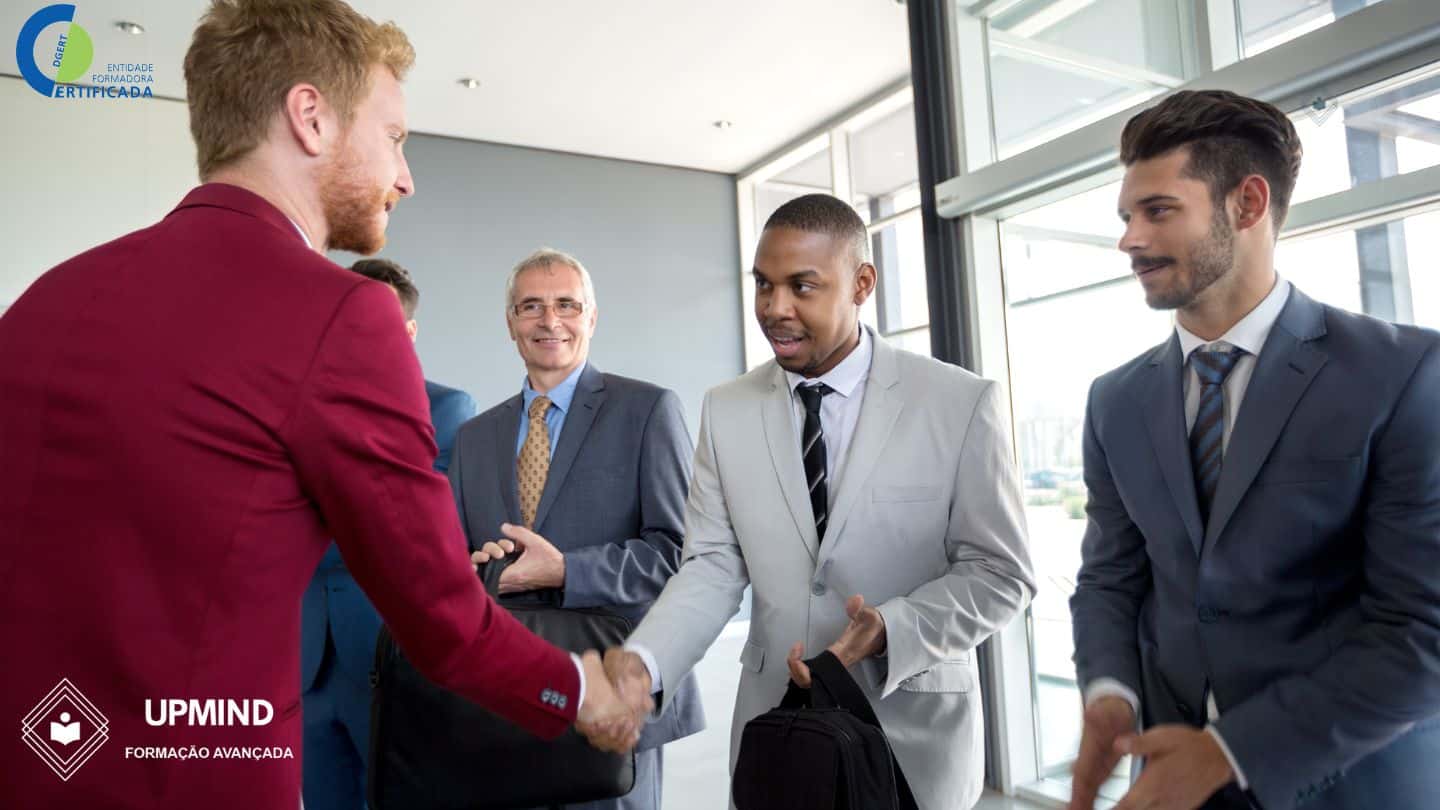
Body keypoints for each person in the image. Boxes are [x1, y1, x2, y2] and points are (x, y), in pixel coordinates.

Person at [0, 2, 635, 808]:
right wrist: (582, 694)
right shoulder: (342, 315)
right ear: (311, 118)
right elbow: (442, 622)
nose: (405, 176)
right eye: (395, 136)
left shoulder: (44, 300)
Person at [1068, 89, 1440, 810]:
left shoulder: (1401, 375)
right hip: (1170, 780)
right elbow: (1111, 579)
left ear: (1247, 203)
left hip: (1350, 785)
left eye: (1158, 211)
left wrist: (1229, 752)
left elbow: (1423, 633)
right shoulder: (1114, 401)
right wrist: (1110, 693)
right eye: (1126, 217)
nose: (1129, 240)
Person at [604, 194, 1036, 810]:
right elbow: (713, 566)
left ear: (862, 283)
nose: (775, 309)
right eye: (763, 285)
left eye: (802, 286)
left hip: (912, 739)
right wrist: (645, 663)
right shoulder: (726, 409)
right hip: (776, 737)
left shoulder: (959, 402)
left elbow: (1001, 574)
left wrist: (891, 627)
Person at [455, 248, 705, 810]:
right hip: (505, 696)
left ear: (591, 318)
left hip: (611, 689)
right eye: (532, 307)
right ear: (511, 324)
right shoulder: (473, 438)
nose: (550, 321)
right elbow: (458, 561)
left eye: (567, 304)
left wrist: (566, 570)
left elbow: (681, 555)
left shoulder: (647, 410)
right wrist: (484, 566)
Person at [300, 257, 479, 810]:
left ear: (409, 331)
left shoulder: (446, 409)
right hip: (305, 657)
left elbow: (412, 531)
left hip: (389, 651)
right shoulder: (300, 407)